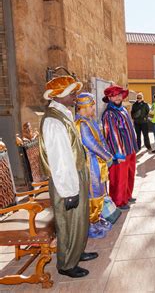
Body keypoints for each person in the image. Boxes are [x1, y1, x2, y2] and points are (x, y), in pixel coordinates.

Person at [39, 76, 97, 278]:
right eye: (72, 93)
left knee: (79, 219)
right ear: (60, 95)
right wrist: (69, 191)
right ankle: (66, 264)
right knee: (69, 222)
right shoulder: (53, 121)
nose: (76, 97)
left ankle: (77, 252)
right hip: (66, 179)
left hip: (75, 174)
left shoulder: (63, 114)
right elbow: (60, 160)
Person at [75, 93, 114, 239]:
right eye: (91, 106)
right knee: (94, 193)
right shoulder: (82, 124)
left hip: (97, 161)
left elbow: (100, 139)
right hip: (90, 163)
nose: (93, 109)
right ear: (84, 107)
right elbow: (91, 144)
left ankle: (96, 219)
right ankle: (91, 225)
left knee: (100, 191)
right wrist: (107, 156)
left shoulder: (88, 120)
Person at [102, 85, 138, 210]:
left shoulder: (123, 110)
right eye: (114, 95)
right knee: (119, 178)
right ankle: (118, 201)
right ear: (109, 98)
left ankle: (127, 195)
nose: (117, 97)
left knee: (129, 174)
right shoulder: (109, 114)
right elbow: (112, 134)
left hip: (130, 149)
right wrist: (118, 153)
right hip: (120, 152)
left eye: (119, 95)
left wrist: (134, 146)